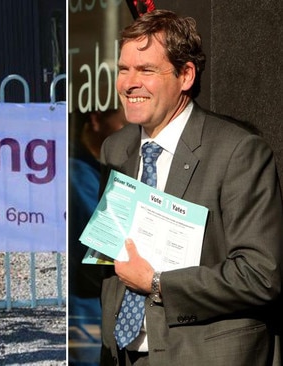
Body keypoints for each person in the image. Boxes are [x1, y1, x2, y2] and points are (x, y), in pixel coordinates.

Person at [98, 9, 283, 366]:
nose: (128, 83)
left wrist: (157, 283)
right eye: (124, 69)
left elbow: (261, 274)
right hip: (123, 354)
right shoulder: (115, 149)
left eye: (146, 70)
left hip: (206, 355)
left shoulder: (238, 152)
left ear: (185, 75)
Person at [69, 108, 127, 365]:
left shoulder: (96, 171)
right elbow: (91, 256)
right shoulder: (79, 174)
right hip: (88, 308)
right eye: (123, 122)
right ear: (95, 120)